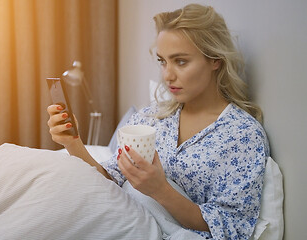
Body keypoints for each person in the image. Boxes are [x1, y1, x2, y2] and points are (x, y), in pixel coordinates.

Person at [47, 3, 269, 240]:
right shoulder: (150, 118)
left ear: (215, 59)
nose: (167, 75)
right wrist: (73, 143)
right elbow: (111, 180)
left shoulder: (243, 135)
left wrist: (160, 191)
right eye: (163, 61)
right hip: (117, 221)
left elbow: (230, 226)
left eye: (180, 61)